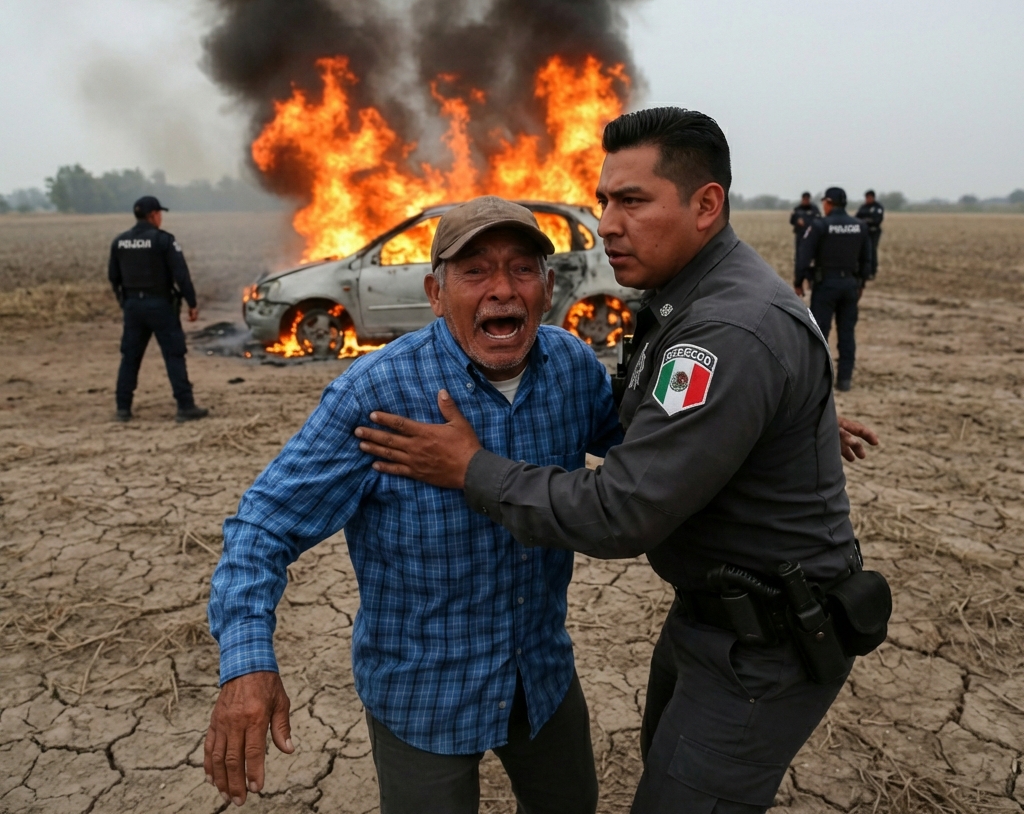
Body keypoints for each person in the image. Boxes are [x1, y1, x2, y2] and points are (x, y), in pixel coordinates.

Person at [354, 109, 884, 814]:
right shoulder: (691, 303)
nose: (605, 223)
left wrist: (471, 468)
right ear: (436, 289)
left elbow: (620, 510)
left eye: (631, 201)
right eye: (605, 200)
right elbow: (654, 416)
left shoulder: (727, 330)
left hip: (766, 645)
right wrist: (774, 418)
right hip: (713, 620)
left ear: (705, 205)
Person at [204, 197, 621, 813]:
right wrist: (246, 664)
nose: (502, 290)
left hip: (542, 674)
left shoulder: (573, 368)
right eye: (475, 271)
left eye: (522, 269)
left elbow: (648, 461)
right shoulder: (377, 393)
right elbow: (262, 525)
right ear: (435, 291)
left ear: (549, 285)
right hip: (424, 693)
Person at [108, 195, 207, 422]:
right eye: (159, 213)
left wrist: (125, 302)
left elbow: (113, 277)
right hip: (160, 306)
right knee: (174, 354)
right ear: (153, 215)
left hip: (133, 306)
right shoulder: (163, 240)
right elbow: (181, 275)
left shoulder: (120, 241)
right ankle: (185, 406)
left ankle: (123, 408)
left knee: (130, 357)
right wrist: (192, 303)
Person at [796, 187, 872, 392]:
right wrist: (862, 282)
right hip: (850, 285)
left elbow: (804, 255)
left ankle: (819, 381)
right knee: (847, 333)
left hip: (826, 286)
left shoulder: (820, 225)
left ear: (829, 202)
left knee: (820, 334)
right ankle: (845, 380)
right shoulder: (859, 226)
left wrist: (798, 280)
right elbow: (868, 258)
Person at [789, 192, 820, 280]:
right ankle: (798, 277)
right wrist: (797, 221)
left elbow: (819, 219)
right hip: (800, 236)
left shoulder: (814, 209)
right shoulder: (797, 209)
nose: (806, 201)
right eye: (804, 199)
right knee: (799, 258)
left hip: (812, 236)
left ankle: (811, 279)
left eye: (807, 199)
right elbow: (791, 221)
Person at [855, 190, 885, 278]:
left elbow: (877, 220)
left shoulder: (878, 207)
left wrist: (865, 220)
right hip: (865, 232)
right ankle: (864, 271)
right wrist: (867, 220)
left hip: (874, 232)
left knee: (872, 250)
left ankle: (873, 270)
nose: (867, 200)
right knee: (864, 251)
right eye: (866, 198)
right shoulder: (863, 207)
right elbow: (857, 218)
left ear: (873, 198)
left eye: (869, 198)